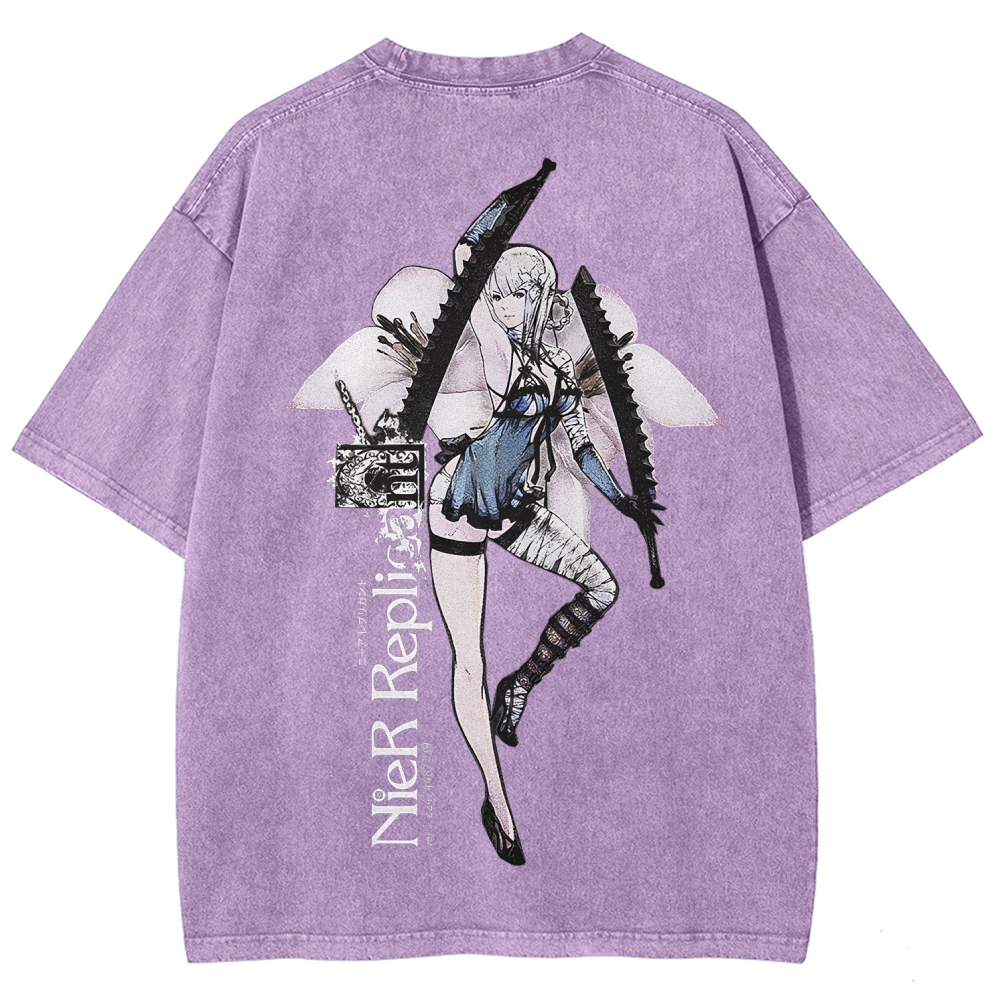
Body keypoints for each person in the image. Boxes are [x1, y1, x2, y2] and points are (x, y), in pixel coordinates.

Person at [425, 244, 655, 865]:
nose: (504, 307)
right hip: (459, 501)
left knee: (602, 587)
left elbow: (581, 449)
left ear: (541, 297)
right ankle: (497, 803)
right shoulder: (500, 354)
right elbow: (467, 261)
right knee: (468, 660)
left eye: (517, 295)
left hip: (515, 509)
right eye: (497, 296)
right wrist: (492, 241)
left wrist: (625, 503)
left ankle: (522, 681)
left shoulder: (555, 372)